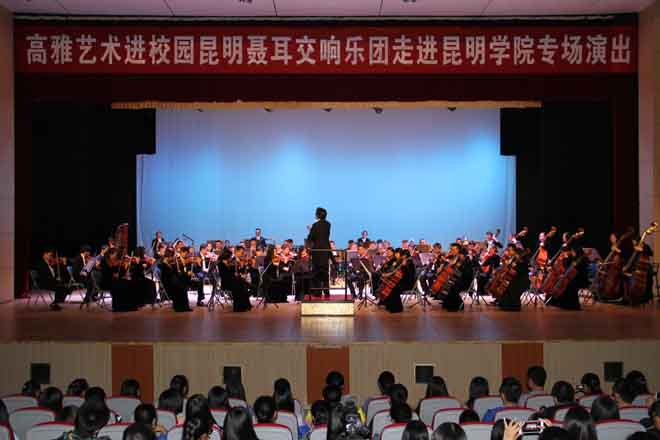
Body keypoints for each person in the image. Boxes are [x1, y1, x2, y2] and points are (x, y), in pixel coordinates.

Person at [307, 207, 331, 297]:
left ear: (318, 215)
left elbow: (311, 238)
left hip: (317, 251)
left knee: (316, 273)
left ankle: (318, 292)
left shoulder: (315, 225)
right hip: (325, 251)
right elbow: (323, 236)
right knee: (325, 273)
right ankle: (326, 292)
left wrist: (310, 229)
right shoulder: (328, 224)